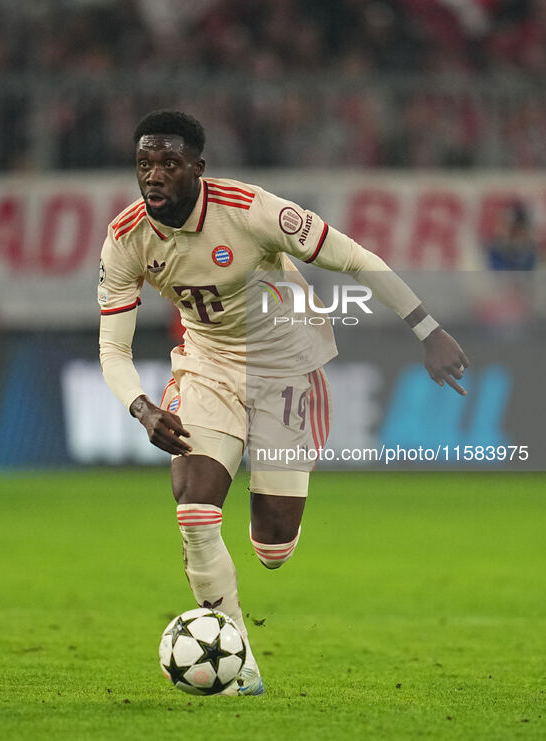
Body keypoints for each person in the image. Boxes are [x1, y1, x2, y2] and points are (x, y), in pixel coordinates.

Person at [98, 110, 468, 696]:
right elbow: (113, 350)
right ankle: (238, 663)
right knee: (195, 511)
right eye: (145, 163)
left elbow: (355, 258)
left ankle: (270, 526)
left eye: (169, 163)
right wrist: (143, 407)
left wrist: (428, 329)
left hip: (288, 368)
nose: (154, 175)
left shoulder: (251, 211)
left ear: (198, 168)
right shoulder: (126, 238)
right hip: (207, 367)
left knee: (272, 547)